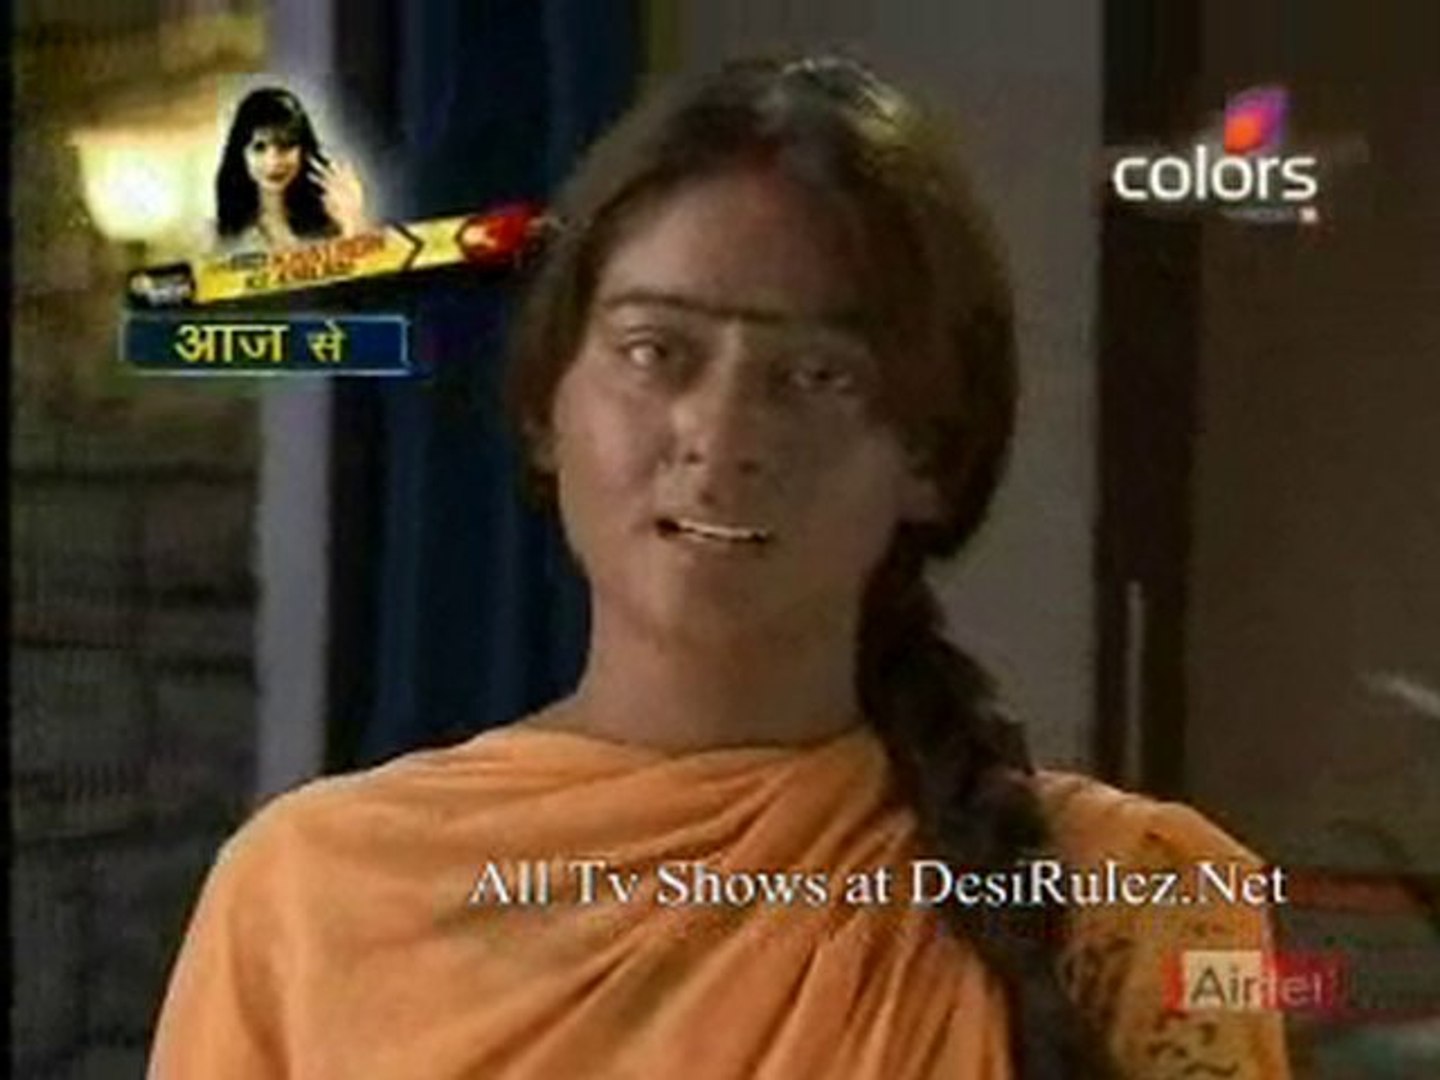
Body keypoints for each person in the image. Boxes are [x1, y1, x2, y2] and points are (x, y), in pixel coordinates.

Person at [149, 57, 1291, 1078]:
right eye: (656, 351)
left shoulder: (1142, 901)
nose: (722, 433)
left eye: (816, 377)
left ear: (930, 457)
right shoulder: (308, 894)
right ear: (547, 408)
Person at [211, 86, 368, 253]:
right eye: (259, 147)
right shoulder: (220, 235)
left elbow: (368, 264)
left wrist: (353, 220)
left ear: (303, 150)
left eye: (285, 146)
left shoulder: (331, 218)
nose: (273, 162)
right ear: (241, 154)